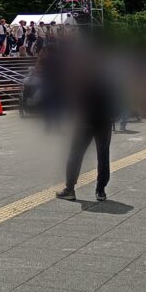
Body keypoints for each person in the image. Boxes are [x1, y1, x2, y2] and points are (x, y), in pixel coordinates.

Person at [55, 45, 116, 202]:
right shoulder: (108, 78)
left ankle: (70, 188)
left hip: (85, 121)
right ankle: (100, 190)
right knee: (103, 155)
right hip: (104, 121)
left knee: (75, 154)